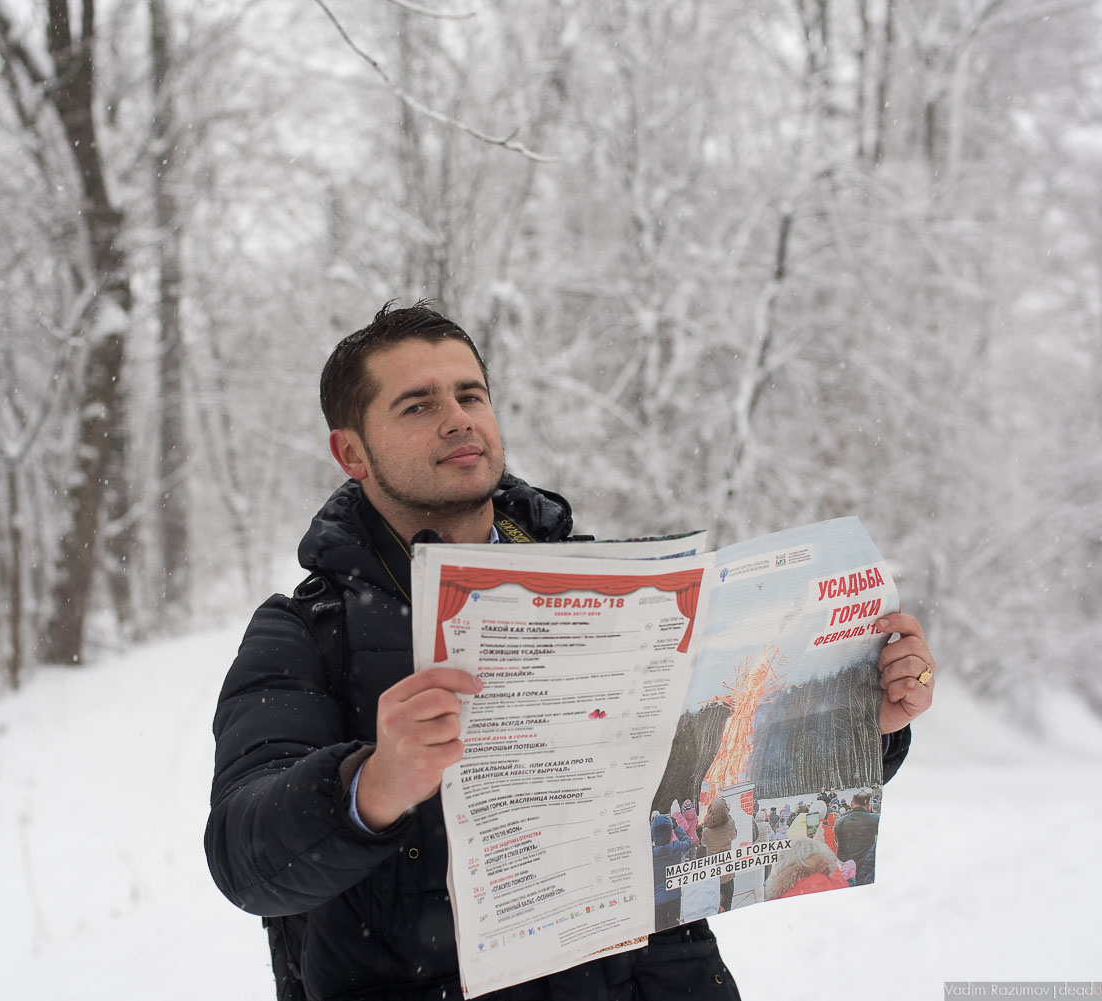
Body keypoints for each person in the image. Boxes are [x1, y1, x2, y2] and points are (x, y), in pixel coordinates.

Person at [204, 301, 938, 1001]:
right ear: (351, 452)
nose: (459, 419)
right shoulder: (304, 633)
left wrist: (860, 722)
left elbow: (717, 775)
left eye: (471, 394)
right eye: (418, 404)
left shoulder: (624, 591)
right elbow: (244, 858)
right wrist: (371, 786)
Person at [834, 790, 882, 887]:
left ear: (852, 804)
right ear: (868, 806)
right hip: (866, 868)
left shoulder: (840, 822)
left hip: (847, 871)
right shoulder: (874, 819)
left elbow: (839, 846)